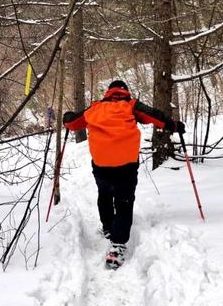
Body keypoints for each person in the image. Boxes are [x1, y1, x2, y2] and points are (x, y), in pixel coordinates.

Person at [63, 80, 185, 269]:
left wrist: (67, 116)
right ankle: (118, 244)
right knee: (123, 200)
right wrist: (174, 125)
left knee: (104, 194)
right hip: (126, 165)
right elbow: (155, 116)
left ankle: (108, 228)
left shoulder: (95, 108)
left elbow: (72, 123)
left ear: (109, 93)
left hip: (101, 165)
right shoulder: (132, 105)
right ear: (125, 92)